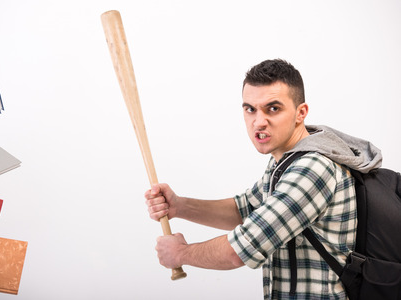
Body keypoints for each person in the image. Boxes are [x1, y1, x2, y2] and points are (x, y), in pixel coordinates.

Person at [144, 59, 382, 299]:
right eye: (250, 109)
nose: (258, 122)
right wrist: (180, 206)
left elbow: (241, 249)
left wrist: (181, 253)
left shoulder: (312, 169)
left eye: (273, 108)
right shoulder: (286, 159)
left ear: (301, 113)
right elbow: (245, 210)